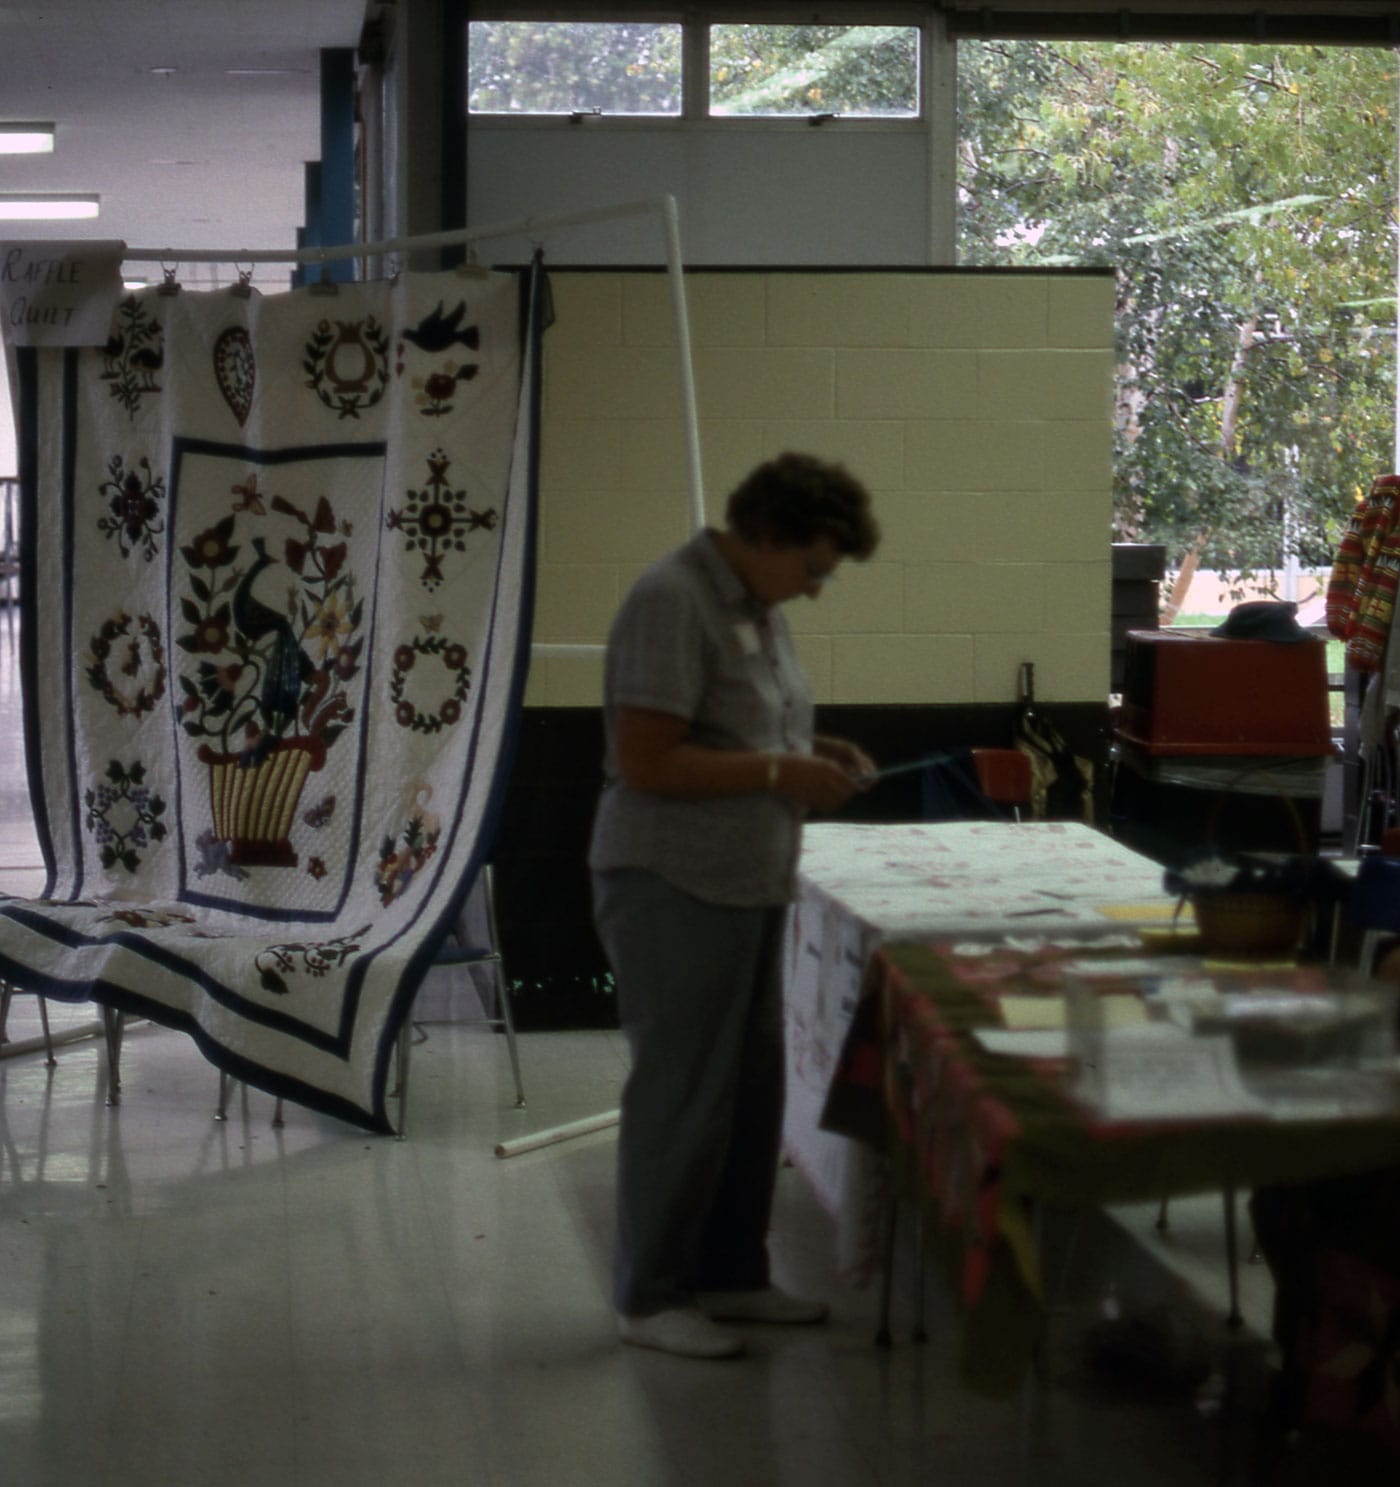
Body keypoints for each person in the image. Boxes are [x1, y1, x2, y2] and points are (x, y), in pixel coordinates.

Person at [589, 451, 880, 1360]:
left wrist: (814, 746)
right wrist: (778, 770)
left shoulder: (756, 605)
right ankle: (651, 1293)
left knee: (753, 1089)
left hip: (749, 881)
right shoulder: (671, 599)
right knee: (683, 1092)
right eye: (814, 568)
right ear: (763, 534)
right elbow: (646, 759)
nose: (818, 589)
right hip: (674, 883)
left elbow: (743, 723)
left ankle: (730, 1272)